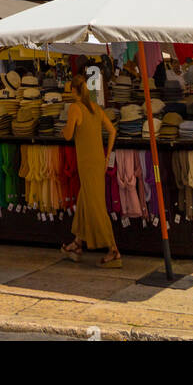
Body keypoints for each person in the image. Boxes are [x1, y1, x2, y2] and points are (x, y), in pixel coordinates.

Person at [60, 75, 120, 267]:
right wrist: (106, 156)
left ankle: (114, 250)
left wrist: (63, 130)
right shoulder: (95, 108)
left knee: (95, 206)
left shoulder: (75, 108)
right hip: (97, 160)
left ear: (74, 90)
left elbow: (68, 135)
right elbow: (112, 131)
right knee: (85, 200)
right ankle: (77, 243)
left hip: (86, 162)